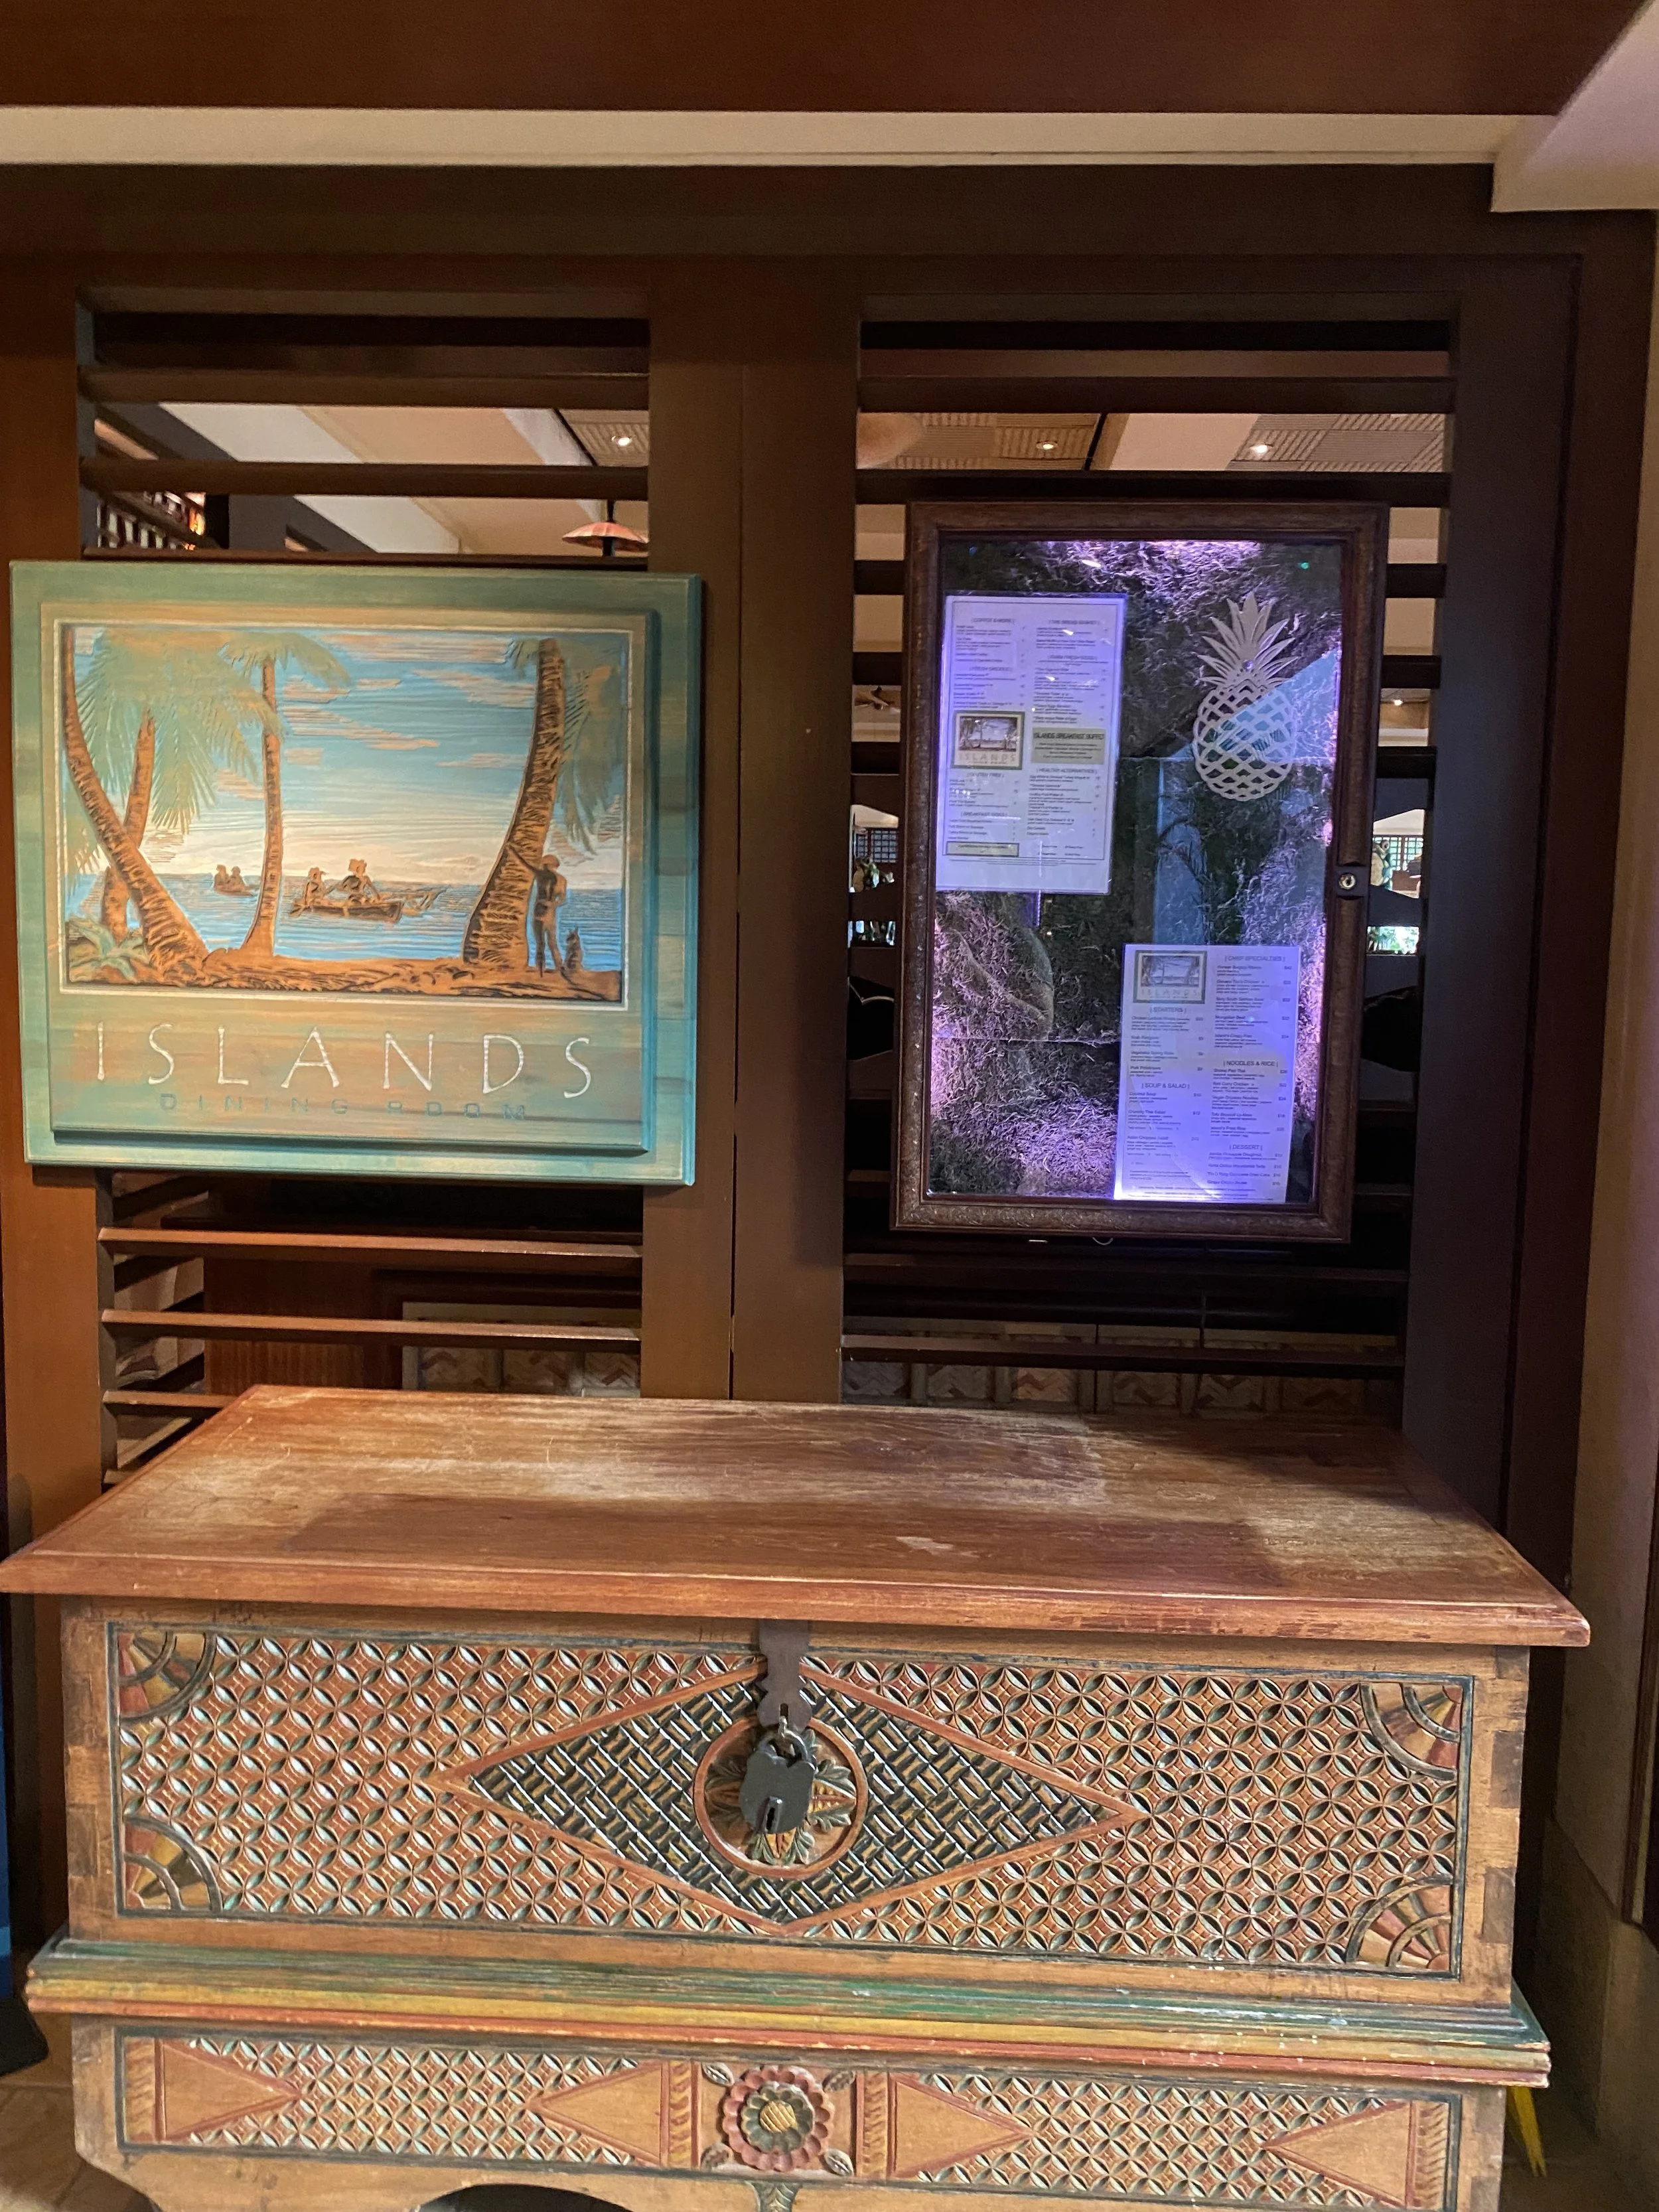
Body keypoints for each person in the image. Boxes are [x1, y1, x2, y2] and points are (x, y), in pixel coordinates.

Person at [530, 851, 568, 975]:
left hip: (541, 912)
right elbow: (562, 898)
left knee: (541, 943)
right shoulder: (562, 880)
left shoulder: (541, 877)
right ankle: (559, 966)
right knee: (552, 942)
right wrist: (553, 904)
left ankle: (541, 970)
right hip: (551, 912)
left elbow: (562, 898)